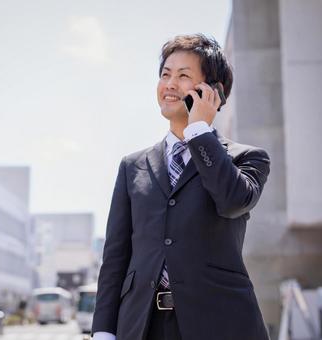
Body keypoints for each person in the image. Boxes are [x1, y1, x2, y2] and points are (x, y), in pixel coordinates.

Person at [91, 33, 271, 340]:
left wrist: (199, 131)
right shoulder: (132, 166)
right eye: (165, 74)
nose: (170, 84)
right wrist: (104, 332)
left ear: (213, 91)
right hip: (142, 326)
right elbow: (115, 259)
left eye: (184, 76)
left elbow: (231, 201)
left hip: (219, 325)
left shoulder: (246, 158)